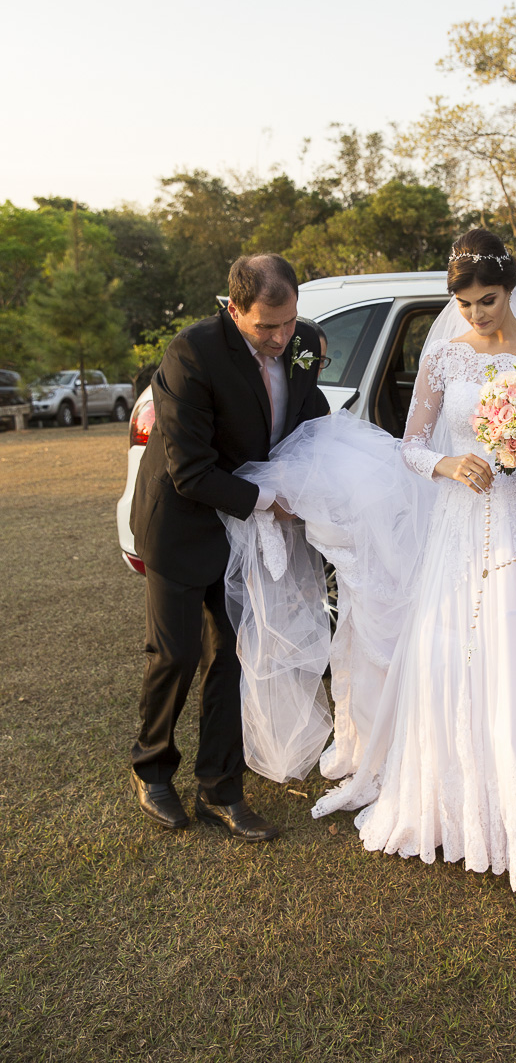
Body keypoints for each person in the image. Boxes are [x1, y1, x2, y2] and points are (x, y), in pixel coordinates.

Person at [225, 229, 516, 896]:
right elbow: (410, 446)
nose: (476, 314)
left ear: (510, 290)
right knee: (453, 657)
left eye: (488, 300)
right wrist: (446, 463)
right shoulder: (446, 358)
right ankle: (454, 807)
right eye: (464, 304)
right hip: (459, 530)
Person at [129, 253, 329, 840]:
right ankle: (151, 769)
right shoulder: (191, 353)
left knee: (234, 657)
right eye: (267, 326)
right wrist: (272, 500)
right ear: (234, 308)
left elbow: (309, 418)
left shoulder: (303, 342)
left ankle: (220, 788)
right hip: (182, 522)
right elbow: (190, 470)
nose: (282, 338)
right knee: (176, 654)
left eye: (289, 322)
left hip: (245, 532)